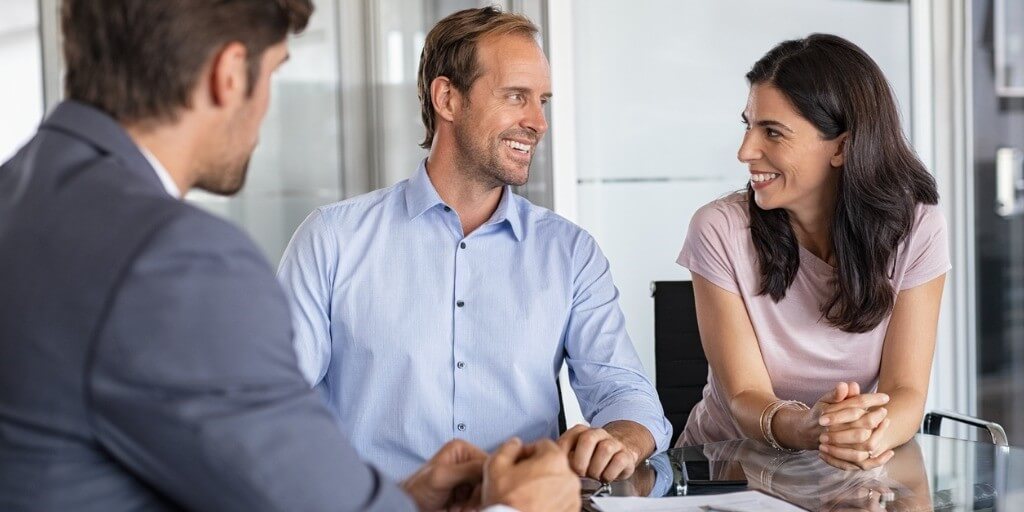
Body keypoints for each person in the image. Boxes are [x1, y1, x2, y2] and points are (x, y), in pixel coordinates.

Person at [0, 1, 579, 511]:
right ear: (230, 74)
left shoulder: (19, 196)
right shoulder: (174, 257)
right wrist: (518, 508)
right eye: (274, 72)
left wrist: (400, 500)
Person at [277, 6, 671, 483]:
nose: (538, 122)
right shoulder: (332, 239)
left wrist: (622, 439)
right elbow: (276, 403)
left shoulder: (570, 253)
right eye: (516, 96)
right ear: (447, 98)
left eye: (542, 100)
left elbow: (624, 392)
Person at [674, 33, 949, 472]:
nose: (745, 151)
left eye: (772, 132)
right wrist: (809, 428)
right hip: (726, 470)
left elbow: (906, 392)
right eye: (748, 125)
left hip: (844, 472)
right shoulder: (718, 229)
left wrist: (864, 437)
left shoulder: (916, 228)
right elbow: (744, 396)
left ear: (841, 146)